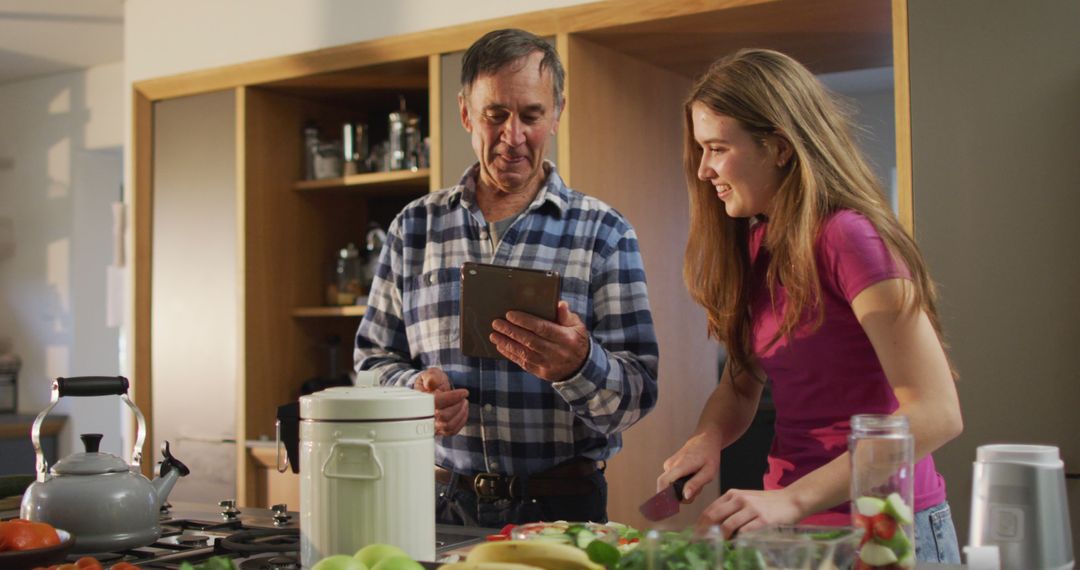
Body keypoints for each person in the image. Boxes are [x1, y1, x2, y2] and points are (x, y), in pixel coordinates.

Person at [655, 48, 963, 564]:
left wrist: (790, 499)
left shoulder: (851, 238)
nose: (704, 169)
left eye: (717, 148)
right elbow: (740, 382)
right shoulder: (758, 244)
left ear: (778, 147)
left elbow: (937, 413)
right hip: (792, 533)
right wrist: (707, 437)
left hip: (882, 529)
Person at [355, 28, 659, 527]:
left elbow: (638, 396)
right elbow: (369, 364)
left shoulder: (604, 232)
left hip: (564, 506)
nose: (512, 136)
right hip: (435, 502)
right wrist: (412, 395)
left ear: (557, 114)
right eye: (495, 115)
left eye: (531, 115)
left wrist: (578, 365)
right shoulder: (414, 227)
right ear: (465, 115)